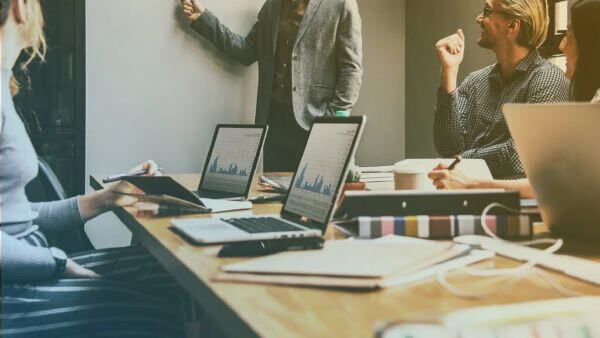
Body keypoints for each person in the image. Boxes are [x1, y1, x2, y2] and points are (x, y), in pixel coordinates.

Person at [1, 0, 186, 336]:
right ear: (21, 7)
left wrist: (107, 198)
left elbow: (11, 216)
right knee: (161, 314)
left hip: (29, 266)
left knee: (177, 273)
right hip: (13, 292)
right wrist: (61, 264)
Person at [429, 0, 600, 199]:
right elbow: (447, 147)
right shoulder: (475, 81)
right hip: (468, 197)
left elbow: (519, 157)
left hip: (514, 205)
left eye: (487, 11)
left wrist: (460, 161)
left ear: (513, 25)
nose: (479, 18)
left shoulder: (548, 80)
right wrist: (449, 72)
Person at [179, 0, 363, 171]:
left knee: (311, 199)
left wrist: (331, 120)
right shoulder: (272, 5)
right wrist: (204, 19)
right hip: (273, 123)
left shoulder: (342, 4)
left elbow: (352, 69)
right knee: (273, 198)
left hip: (315, 123)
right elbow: (246, 51)